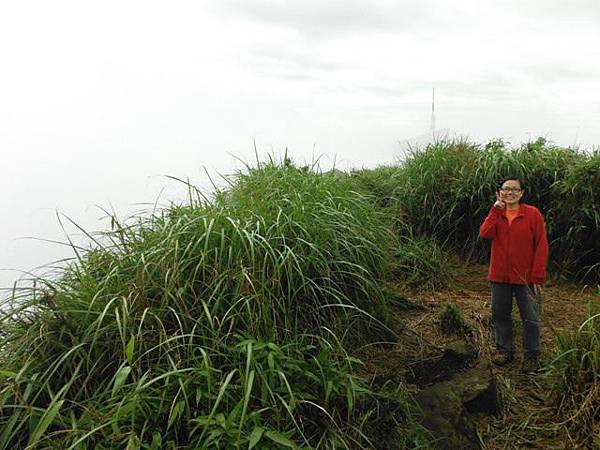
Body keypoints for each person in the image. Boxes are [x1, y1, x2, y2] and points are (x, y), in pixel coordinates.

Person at [479, 177, 549, 373]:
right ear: (499, 192)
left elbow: (541, 245)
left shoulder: (532, 214)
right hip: (499, 276)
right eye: (505, 189)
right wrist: (495, 210)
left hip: (525, 277)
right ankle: (505, 350)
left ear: (522, 193)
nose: (509, 192)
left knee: (531, 317)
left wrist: (537, 276)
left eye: (514, 189)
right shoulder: (497, 214)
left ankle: (532, 355)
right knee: (500, 314)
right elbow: (485, 233)